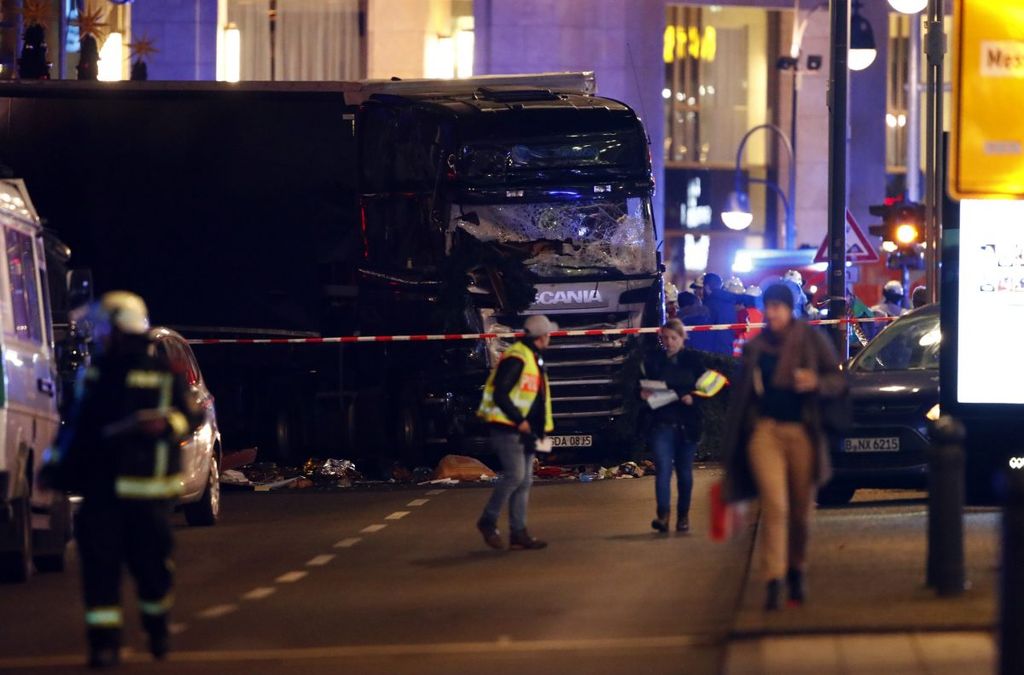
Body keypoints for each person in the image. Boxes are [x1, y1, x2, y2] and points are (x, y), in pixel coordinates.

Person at [39, 292, 203, 668]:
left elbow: (191, 417)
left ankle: (156, 625)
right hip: (103, 494)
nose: (99, 336)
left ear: (119, 328)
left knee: (152, 570)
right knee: (99, 571)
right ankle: (103, 645)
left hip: (150, 495)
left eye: (104, 329)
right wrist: (55, 469)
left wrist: (164, 425)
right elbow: (77, 430)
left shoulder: (165, 373)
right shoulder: (96, 375)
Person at [721, 283, 847, 612]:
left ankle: (796, 568)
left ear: (791, 309)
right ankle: (774, 579)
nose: (773, 312)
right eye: (769, 306)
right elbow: (741, 398)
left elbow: (838, 381)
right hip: (765, 433)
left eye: (779, 306)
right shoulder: (756, 347)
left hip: (803, 433)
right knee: (775, 506)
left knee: (801, 512)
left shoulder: (810, 339)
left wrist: (816, 382)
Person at [476, 314, 554, 551]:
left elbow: (536, 399)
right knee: (515, 476)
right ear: (543, 337)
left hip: (526, 430)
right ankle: (487, 521)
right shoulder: (518, 357)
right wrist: (519, 420)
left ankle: (518, 532)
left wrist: (540, 432)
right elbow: (501, 393)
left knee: (525, 480)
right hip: (508, 427)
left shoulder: (532, 357)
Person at [640, 319, 704, 533]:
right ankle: (663, 515)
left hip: (687, 424)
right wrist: (642, 393)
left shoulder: (694, 360)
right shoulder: (653, 361)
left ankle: (683, 516)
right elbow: (639, 383)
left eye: (673, 338)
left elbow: (707, 388)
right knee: (663, 470)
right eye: (665, 338)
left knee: (684, 472)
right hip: (662, 422)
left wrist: (693, 397)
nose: (669, 342)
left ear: (682, 337)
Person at [701, 272, 755, 356]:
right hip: (727, 351)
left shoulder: (709, 304)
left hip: (711, 353)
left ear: (707, 287)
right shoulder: (730, 303)